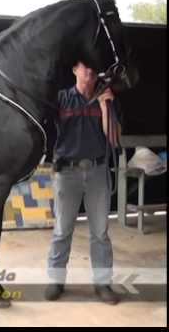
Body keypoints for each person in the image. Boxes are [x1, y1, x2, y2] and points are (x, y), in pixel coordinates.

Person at [45, 60, 121, 304]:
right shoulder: (61, 99)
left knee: (100, 232)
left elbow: (113, 138)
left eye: (92, 67)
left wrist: (104, 105)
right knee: (62, 230)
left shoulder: (105, 98)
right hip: (67, 173)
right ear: (74, 70)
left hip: (98, 171)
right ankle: (56, 281)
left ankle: (103, 284)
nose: (89, 71)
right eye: (83, 66)